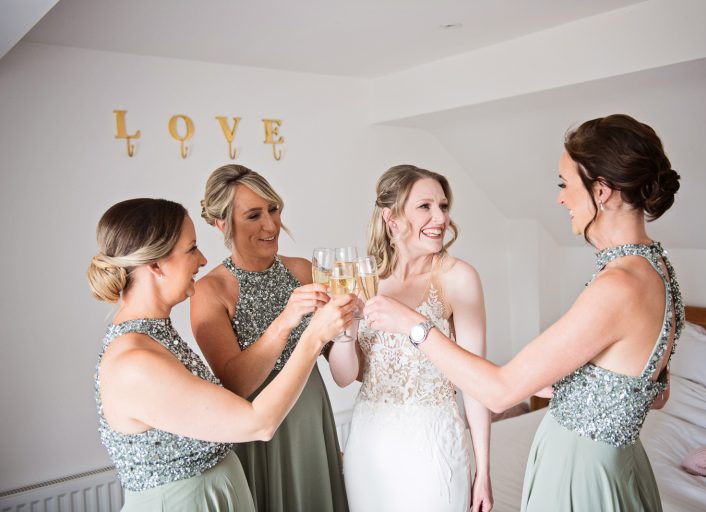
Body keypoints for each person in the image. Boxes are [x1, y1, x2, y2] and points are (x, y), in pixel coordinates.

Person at [364, 115, 683, 511]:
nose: (560, 198)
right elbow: (653, 393)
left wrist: (413, 324)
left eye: (565, 184)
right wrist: (573, 389)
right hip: (616, 463)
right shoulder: (656, 268)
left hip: (581, 472)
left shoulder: (618, 287)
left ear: (601, 192)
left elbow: (499, 392)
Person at [87, 198, 355, 511]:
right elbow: (260, 423)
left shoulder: (154, 336)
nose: (201, 260)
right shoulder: (133, 363)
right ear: (156, 266)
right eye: (191, 249)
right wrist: (314, 335)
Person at [330, 165, 493, 512]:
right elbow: (344, 377)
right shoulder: (363, 278)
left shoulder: (459, 278)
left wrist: (484, 471)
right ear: (391, 218)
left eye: (444, 206)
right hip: (369, 446)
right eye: (425, 206)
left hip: (433, 444)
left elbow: (476, 381)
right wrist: (345, 331)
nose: (440, 217)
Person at [191, 164, 349, 512]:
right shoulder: (210, 291)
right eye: (253, 215)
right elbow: (235, 384)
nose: (271, 225)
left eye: (273, 209)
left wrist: (352, 328)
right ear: (222, 224)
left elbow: (345, 366)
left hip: (311, 415)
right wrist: (286, 321)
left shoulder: (304, 270)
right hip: (260, 426)